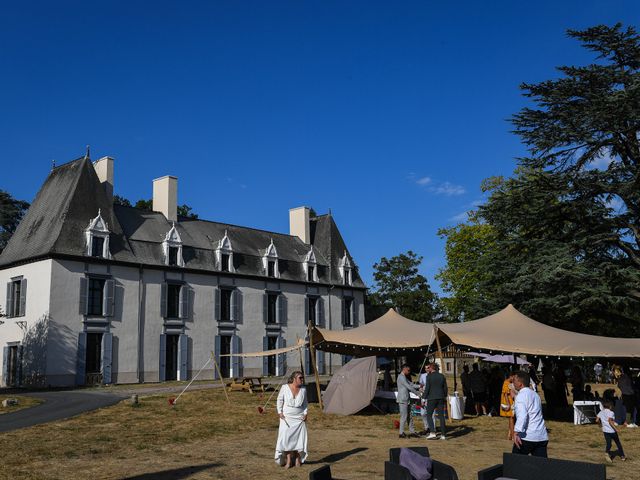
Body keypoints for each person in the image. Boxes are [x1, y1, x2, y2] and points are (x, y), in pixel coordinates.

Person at [274, 371, 308, 468]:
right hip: (286, 418)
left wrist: (306, 414)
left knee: (298, 439)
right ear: (294, 379)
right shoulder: (285, 387)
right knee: (286, 439)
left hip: (299, 418)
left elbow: (305, 403)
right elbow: (279, 400)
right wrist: (279, 412)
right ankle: (288, 460)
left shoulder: (303, 390)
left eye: (302, 378)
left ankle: (297, 458)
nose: (302, 379)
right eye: (300, 378)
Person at [512, 371, 548, 458]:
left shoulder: (521, 396)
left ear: (520, 383)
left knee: (514, 464)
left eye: (514, 381)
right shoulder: (535, 395)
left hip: (527, 437)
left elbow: (522, 416)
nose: (513, 383)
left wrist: (516, 432)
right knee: (541, 467)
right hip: (541, 436)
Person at [422, 362, 448, 440]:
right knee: (441, 416)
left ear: (432, 368)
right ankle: (443, 434)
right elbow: (445, 388)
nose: (428, 369)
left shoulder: (429, 376)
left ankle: (432, 432)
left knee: (429, 415)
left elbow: (427, 388)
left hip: (432, 398)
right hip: (441, 397)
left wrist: (423, 398)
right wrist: (445, 396)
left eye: (429, 367)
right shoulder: (442, 376)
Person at [396, 363, 421, 438]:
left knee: (409, 416)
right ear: (404, 369)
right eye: (408, 370)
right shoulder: (401, 377)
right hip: (403, 399)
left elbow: (411, 384)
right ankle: (401, 433)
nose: (409, 371)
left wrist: (420, 386)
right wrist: (417, 393)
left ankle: (412, 431)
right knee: (404, 416)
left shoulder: (404, 377)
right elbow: (409, 387)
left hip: (407, 399)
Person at [500, 371, 517, 440]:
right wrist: (508, 404)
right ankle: (512, 435)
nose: (514, 379)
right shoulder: (506, 382)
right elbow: (506, 395)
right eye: (514, 377)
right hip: (509, 402)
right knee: (511, 418)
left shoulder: (510, 383)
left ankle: (510, 434)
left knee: (512, 418)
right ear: (511, 376)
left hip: (512, 401)